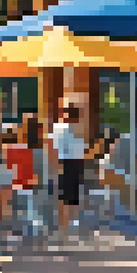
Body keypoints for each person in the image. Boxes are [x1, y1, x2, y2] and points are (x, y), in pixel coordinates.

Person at [49, 103, 89, 240]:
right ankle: (68, 226)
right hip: (73, 163)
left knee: (66, 197)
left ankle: (65, 227)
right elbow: (82, 150)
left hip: (67, 163)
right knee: (70, 197)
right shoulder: (76, 130)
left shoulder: (60, 129)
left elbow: (54, 149)